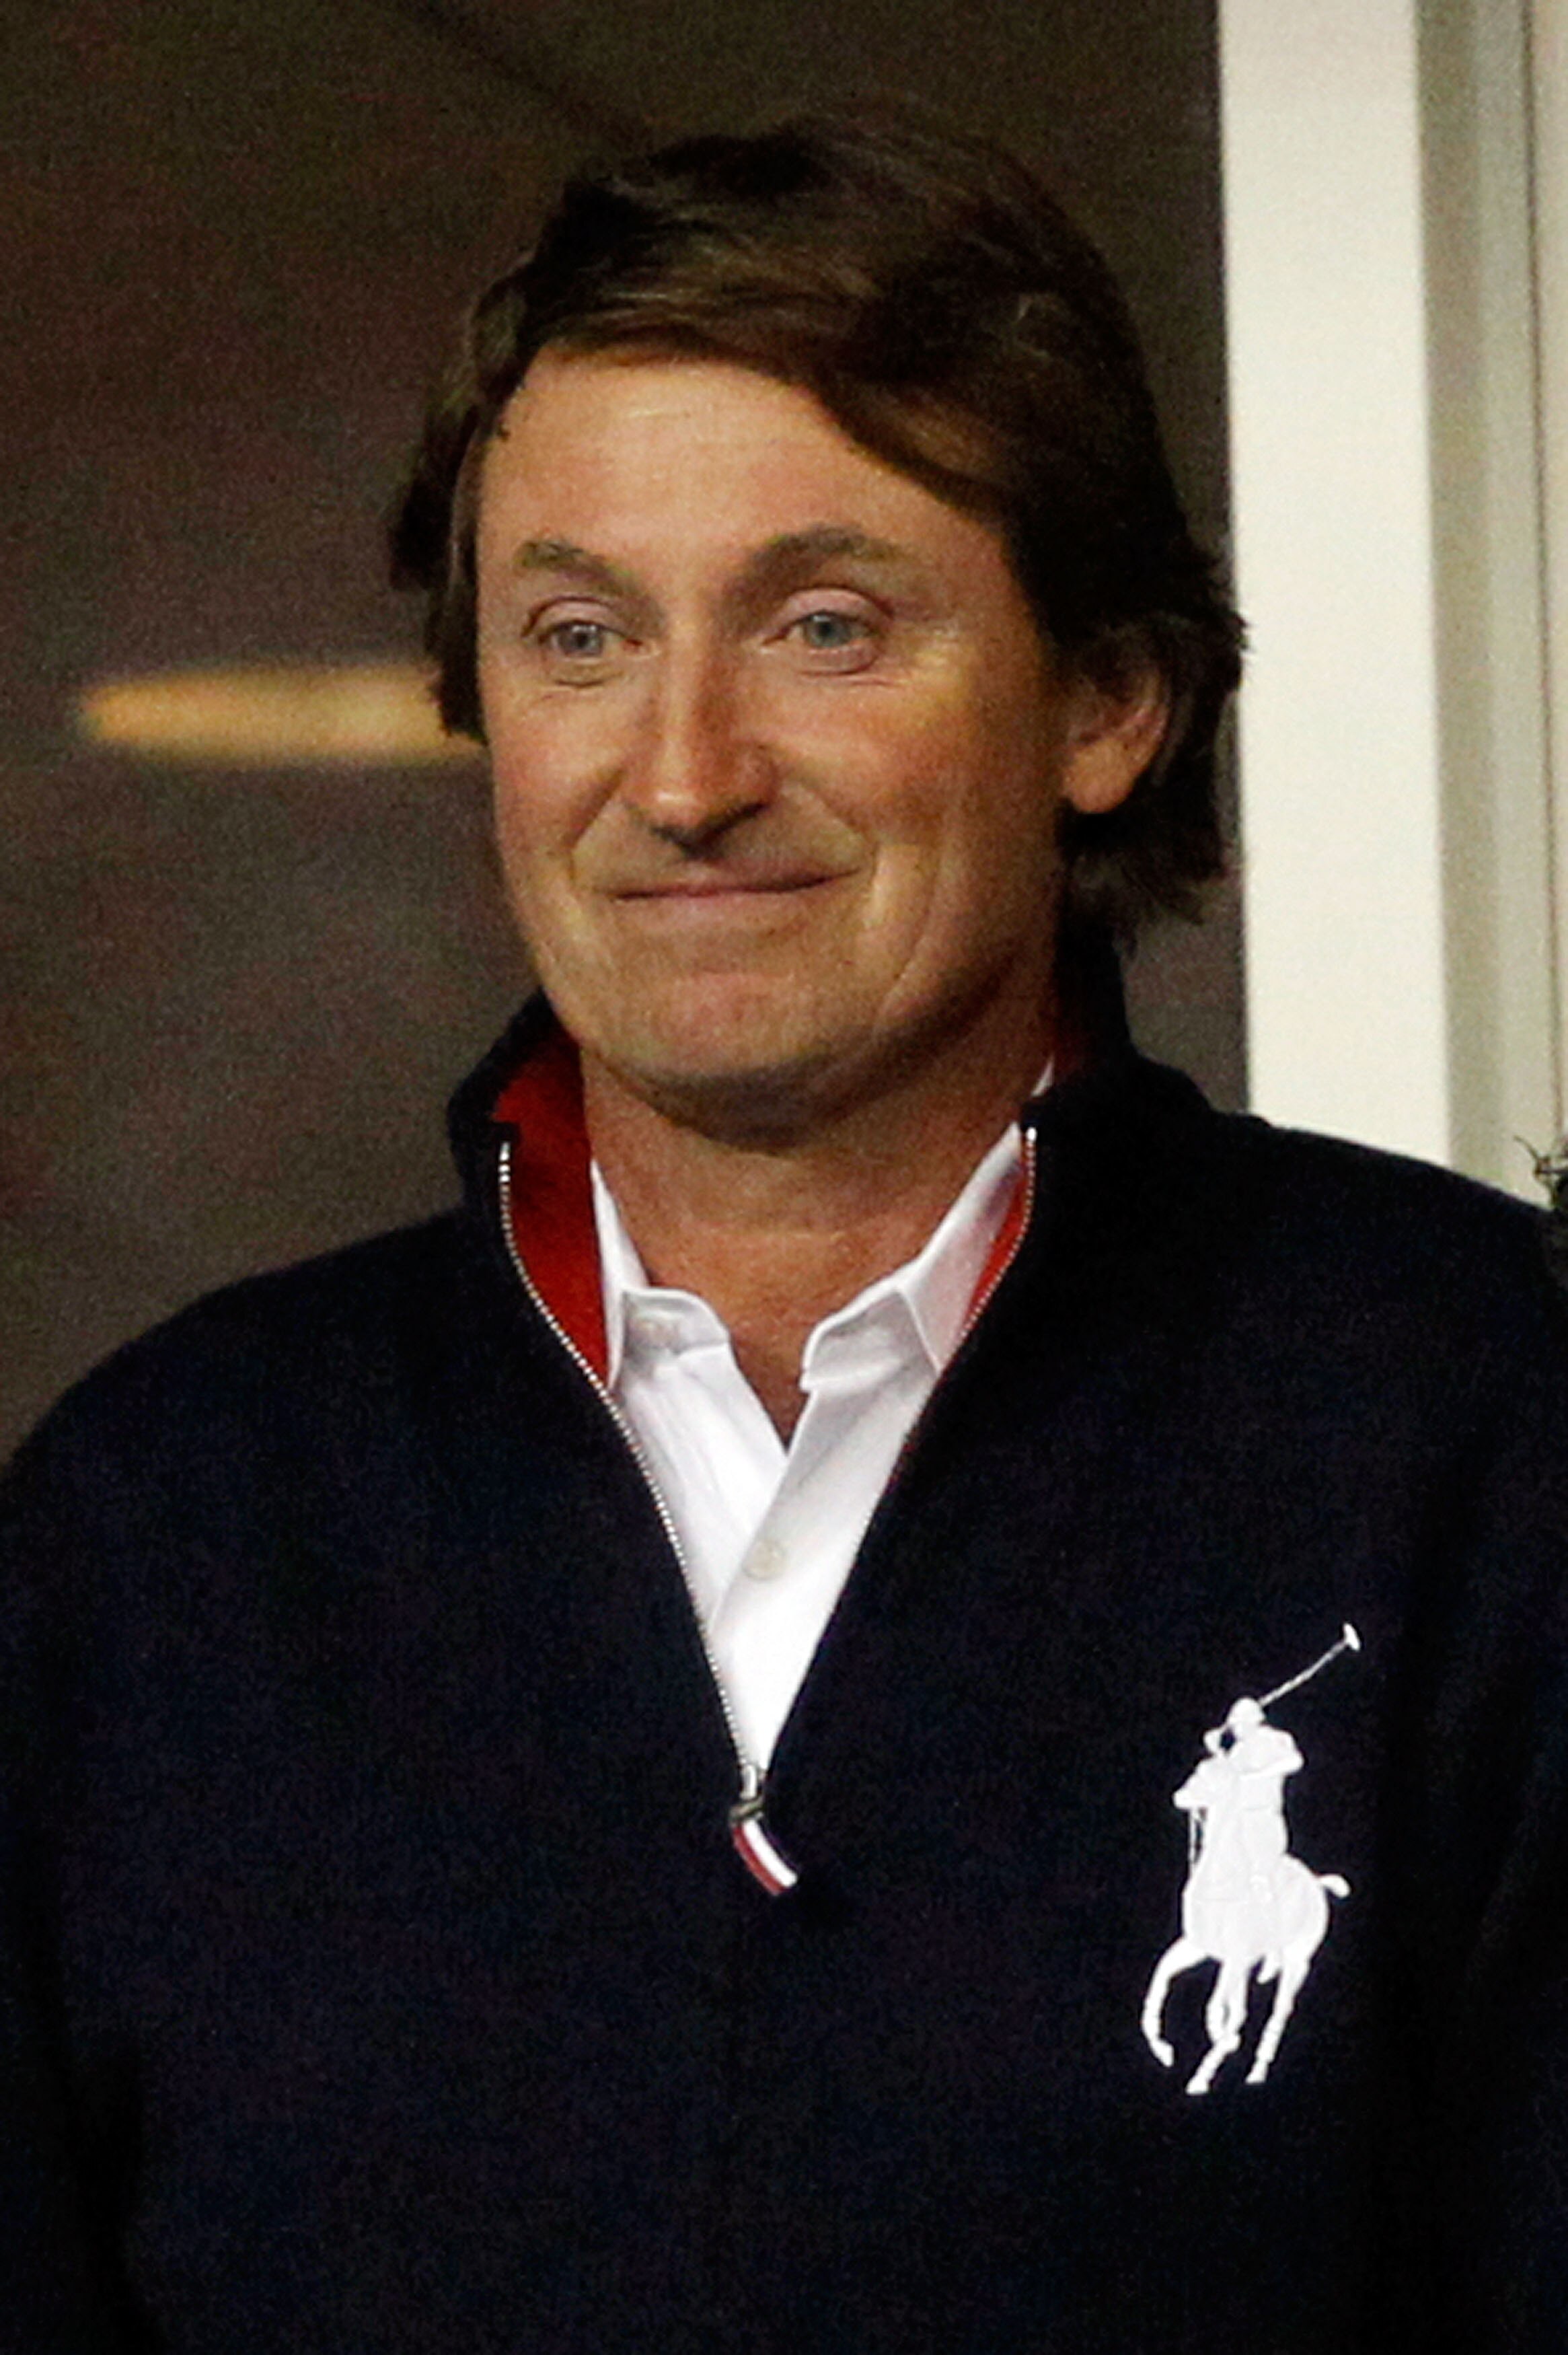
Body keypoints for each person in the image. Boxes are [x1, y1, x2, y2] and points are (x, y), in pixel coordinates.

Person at [2, 107, 1565, 2353]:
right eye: (576, 634)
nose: (684, 765)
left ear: (1108, 701)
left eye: (824, 622)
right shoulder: (152, 1536)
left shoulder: (1472, 1425)